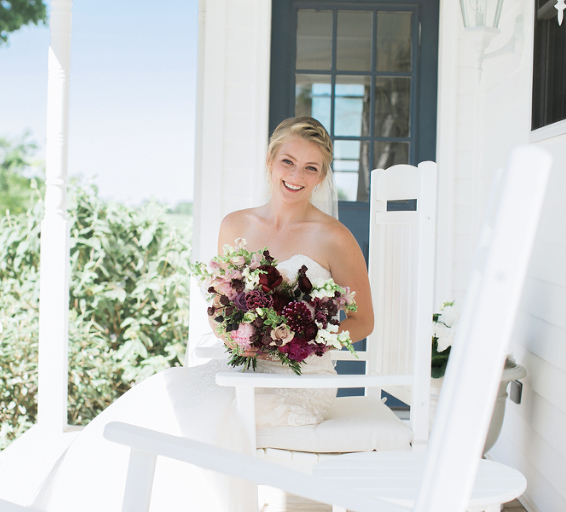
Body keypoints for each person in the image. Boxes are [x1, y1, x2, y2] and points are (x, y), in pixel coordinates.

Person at [28, 117, 373, 511]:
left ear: (322, 176)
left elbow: (364, 321)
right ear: (269, 161)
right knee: (157, 399)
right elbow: (220, 307)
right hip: (242, 368)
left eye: (311, 168)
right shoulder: (236, 224)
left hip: (301, 381)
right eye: (288, 162)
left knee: (205, 420)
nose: (296, 176)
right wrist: (244, 337)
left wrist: (297, 340)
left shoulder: (335, 237)